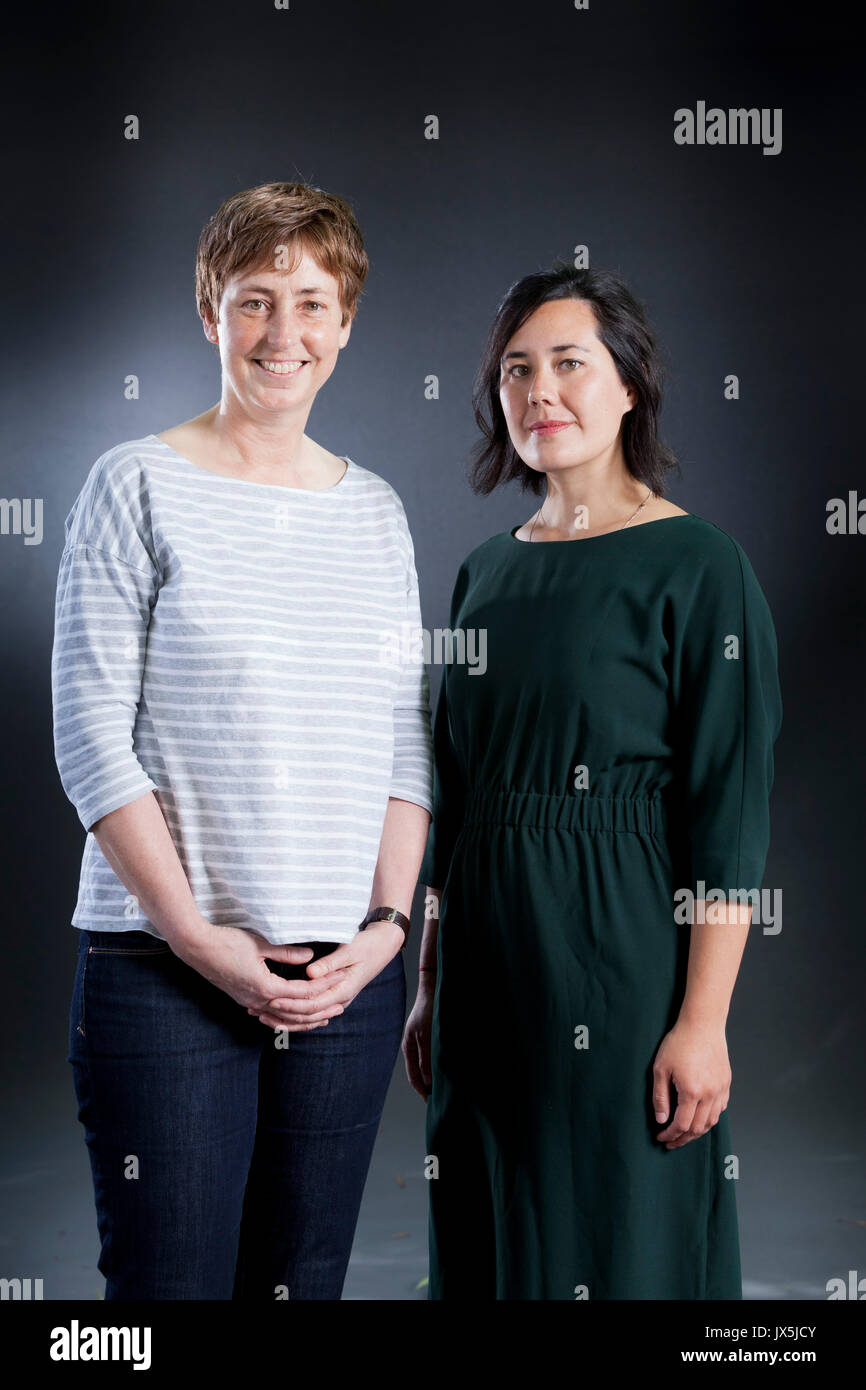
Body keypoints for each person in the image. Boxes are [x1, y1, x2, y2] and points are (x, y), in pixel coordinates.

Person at [52, 181, 433, 1300]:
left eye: (311, 303)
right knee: (168, 1289)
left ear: (346, 322)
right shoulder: (133, 484)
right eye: (255, 299)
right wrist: (194, 935)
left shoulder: (375, 511)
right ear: (210, 311)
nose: (283, 333)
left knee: (300, 1282)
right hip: (163, 970)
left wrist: (384, 927)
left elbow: (405, 745)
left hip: (344, 983)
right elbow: (88, 736)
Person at [402, 263, 783, 1300]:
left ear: (626, 385)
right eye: (515, 370)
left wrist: (700, 1022)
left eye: (568, 363)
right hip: (485, 968)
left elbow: (726, 810)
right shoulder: (483, 571)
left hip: (615, 960)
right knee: (490, 1233)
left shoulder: (699, 566)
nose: (539, 391)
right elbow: (454, 790)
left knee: (621, 1235)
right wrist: (430, 982)